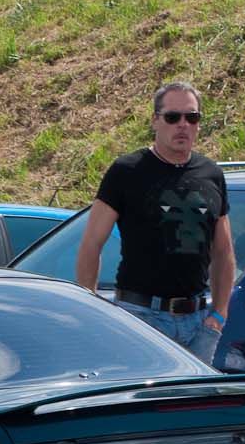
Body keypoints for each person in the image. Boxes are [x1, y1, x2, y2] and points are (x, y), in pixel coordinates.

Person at [75, 81, 235, 363]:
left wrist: (220, 314)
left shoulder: (212, 174)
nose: (183, 125)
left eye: (192, 117)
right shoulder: (126, 171)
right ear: (155, 121)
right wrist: (91, 309)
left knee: (194, 394)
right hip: (140, 318)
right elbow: (91, 243)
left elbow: (223, 251)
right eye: (172, 117)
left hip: (199, 324)